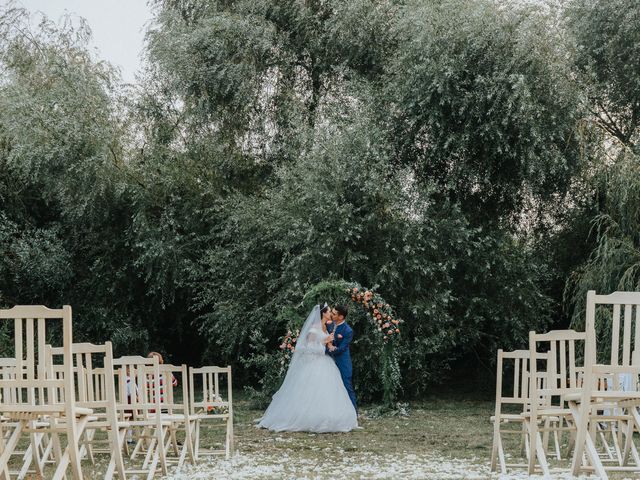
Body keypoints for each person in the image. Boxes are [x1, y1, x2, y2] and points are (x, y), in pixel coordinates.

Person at [258, 304, 358, 432]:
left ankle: (330, 415)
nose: (331, 314)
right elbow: (307, 348)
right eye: (329, 312)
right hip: (315, 362)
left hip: (327, 362)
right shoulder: (314, 329)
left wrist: (329, 344)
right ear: (323, 313)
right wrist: (324, 343)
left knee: (329, 391)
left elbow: (333, 343)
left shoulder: (328, 327)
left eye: (333, 313)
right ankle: (308, 417)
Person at [326, 304, 357, 412]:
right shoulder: (329, 325)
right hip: (328, 363)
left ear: (341, 317)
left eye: (334, 314)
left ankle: (354, 414)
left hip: (343, 363)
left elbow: (341, 349)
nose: (331, 315)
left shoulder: (348, 331)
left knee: (347, 387)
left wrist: (325, 350)